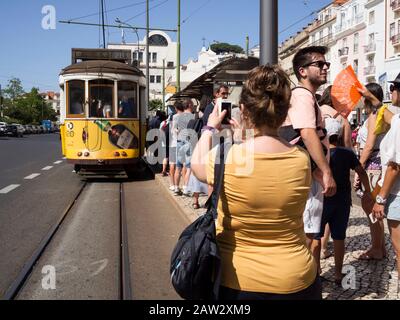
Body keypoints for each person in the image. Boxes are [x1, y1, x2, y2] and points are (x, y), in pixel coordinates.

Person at [191, 65, 321, 300]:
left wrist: (210, 127)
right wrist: (247, 136)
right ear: (284, 113)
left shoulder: (227, 157)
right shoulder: (302, 159)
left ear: (243, 110)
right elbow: (265, 153)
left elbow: (197, 164)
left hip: (237, 281)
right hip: (296, 279)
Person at [280, 46, 336, 269]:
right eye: (319, 64)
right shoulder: (302, 95)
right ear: (302, 71)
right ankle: (304, 282)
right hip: (308, 175)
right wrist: (325, 171)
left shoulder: (307, 97)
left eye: (326, 64)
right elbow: (307, 132)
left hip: (306, 173)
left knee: (310, 232)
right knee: (308, 233)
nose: (325, 68)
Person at [314, 119, 372, 284]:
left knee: (316, 237)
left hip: (323, 200)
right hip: (343, 202)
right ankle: (339, 274)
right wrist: (367, 190)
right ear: (338, 135)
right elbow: (361, 171)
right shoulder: (347, 153)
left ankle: (316, 271)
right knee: (339, 237)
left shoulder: (320, 153)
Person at [355, 83, 387, 261]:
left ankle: (376, 249)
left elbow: (368, 146)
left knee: (371, 208)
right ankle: (380, 248)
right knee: (374, 210)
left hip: (373, 166)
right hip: (376, 164)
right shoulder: (380, 114)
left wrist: (358, 166)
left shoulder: (375, 115)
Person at [372, 107, 400, 289]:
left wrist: (380, 199)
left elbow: (395, 166)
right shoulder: (396, 119)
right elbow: (388, 113)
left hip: (397, 194)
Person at [172, 100, 195, 195]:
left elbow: (175, 129)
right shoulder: (193, 116)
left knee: (178, 167)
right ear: (189, 105)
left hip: (179, 142)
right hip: (188, 142)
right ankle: (186, 188)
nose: (193, 106)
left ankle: (176, 188)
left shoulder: (177, 116)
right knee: (189, 167)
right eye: (193, 105)